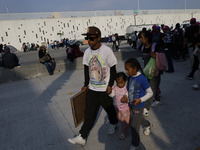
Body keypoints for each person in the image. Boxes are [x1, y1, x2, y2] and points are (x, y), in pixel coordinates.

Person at [68, 26, 118, 145]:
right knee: (89, 113)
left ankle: (114, 123)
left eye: (91, 38)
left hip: (104, 89)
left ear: (98, 38)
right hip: (92, 89)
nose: (89, 40)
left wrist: (110, 85)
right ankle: (82, 137)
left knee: (109, 110)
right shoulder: (87, 52)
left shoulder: (107, 51)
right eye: (87, 38)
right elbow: (86, 69)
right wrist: (86, 84)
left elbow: (114, 69)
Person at [121, 58, 153, 150]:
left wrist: (140, 99)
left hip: (139, 106)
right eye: (125, 69)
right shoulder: (131, 77)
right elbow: (129, 90)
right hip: (131, 105)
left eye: (128, 69)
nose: (126, 72)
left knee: (134, 126)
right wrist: (126, 96)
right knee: (137, 120)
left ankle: (135, 145)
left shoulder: (142, 79)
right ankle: (147, 124)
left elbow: (150, 93)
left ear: (135, 68)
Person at [140, 31, 161, 114]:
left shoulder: (155, 46)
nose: (140, 39)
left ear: (147, 38)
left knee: (151, 88)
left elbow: (163, 55)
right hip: (146, 72)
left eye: (142, 37)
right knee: (149, 87)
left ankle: (146, 108)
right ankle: (158, 99)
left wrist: (156, 55)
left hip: (155, 72)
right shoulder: (142, 47)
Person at [109, 72, 130, 140]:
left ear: (125, 81)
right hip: (118, 108)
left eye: (121, 83)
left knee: (124, 122)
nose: (119, 85)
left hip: (125, 109)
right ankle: (129, 120)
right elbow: (112, 95)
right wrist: (109, 92)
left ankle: (123, 132)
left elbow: (129, 98)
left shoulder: (127, 89)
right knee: (120, 119)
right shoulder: (115, 87)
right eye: (118, 83)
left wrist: (126, 99)